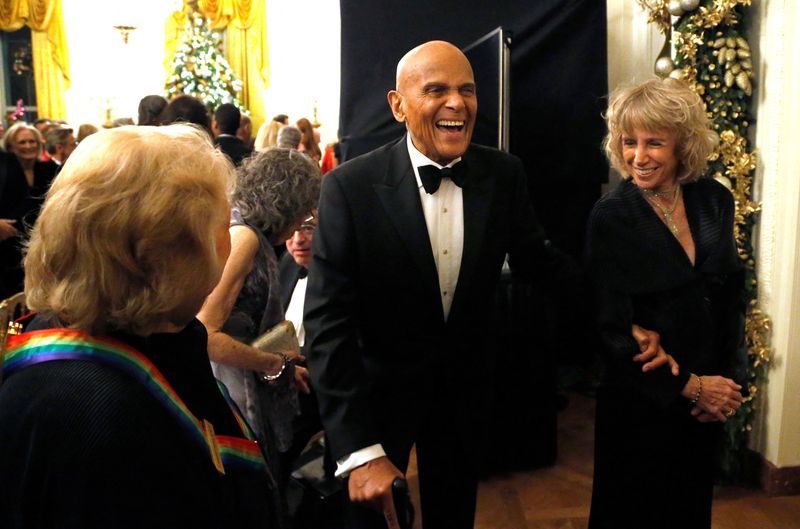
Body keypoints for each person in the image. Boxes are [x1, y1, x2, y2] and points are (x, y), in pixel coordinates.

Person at [303, 40, 670, 529]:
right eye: (437, 90)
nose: (457, 103)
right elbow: (328, 324)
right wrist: (357, 449)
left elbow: (544, 266)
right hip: (376, 399)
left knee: (454, 515)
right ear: (398, 105)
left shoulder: (503, 174)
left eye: (467, 90)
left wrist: (623, 322)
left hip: (464, 392)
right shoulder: (348, 187)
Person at [0, 124, 277, 527]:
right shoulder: (101, 416)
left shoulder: (146, 340)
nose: (230, 240)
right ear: (169, 257)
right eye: (221, 225)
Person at [586, 78, 746, 529]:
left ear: (683, 145)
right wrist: (690, 386)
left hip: (704, 403)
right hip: (643, 402)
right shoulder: (612, 216)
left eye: (654, 142)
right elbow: (610, 329)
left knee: (689, 512)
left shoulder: (715, 199)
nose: (638, 156)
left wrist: (725, 384)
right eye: (628, 142)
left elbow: (731, 294)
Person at [197, 148, 320, 524]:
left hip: (241, 387)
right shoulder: (246, 239)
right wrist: (274, 362)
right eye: (305, 209)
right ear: (288, 204)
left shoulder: (244, 230)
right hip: (236, 395)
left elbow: (246, 324)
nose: (307, 219)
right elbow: (206, 333)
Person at [0, 123, 58, 298]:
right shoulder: (6, 168)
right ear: (11, 146)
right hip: (8, 242)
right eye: (22, 142)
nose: (28, 146)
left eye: (32, 141)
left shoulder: (50, 169)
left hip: (42, 241)